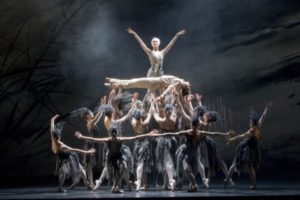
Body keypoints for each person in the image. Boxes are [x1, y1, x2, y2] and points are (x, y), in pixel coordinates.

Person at [155, 117, 231, 192]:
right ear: (193, 125)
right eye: (193, 126)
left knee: (192, 171)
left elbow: (214, 134)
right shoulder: (188, 132)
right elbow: (174, 133)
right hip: (185, 153)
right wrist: (159, 135)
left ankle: (193, 185)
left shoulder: (200, 133)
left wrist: (225, 134)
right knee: (187, 169)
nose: (194, 128)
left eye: (195, 126)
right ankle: (194, 184)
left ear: (197, 126)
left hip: (194, 155)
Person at [74, 127, 159, 193]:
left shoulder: (119, 139)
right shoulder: (108, 140)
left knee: (124, 167)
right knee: (109, 170)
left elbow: (135, 137)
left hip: (119, 157)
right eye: (113, 136)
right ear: (111, 135)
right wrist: (81, 136)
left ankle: (117, 186)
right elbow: (94, 139)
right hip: (111, 159)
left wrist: (148, 134)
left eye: (115, 136)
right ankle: (110, 185)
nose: (114, 138)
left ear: (116, 135)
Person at [224, 102, 273, 189]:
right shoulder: (258, 126)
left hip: (250, 149)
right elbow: (263, 116)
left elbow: (240, 136)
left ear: (252, 122)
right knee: (241, 165)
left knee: (240, 165)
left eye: (250, 121)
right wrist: (267, 108)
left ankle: (228, 180)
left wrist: (231, 139)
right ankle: (228, 180)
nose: (249, 123)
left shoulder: (252, 130)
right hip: (247, 148)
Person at [50, 114, 95, 192]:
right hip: (64, 159)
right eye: (55, 138)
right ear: (54, 137)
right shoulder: (54, 140)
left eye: (58, 138)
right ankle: (60, 188)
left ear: (59, 137)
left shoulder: (61, 145)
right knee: (64, 172)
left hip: (71, 157)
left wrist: (87, 152)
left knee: (82, 171)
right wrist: (52, 120)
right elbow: (52, 129)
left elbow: (75, 150)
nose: (56, 140)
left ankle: (87, 185)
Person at [104, 75, 191, 100]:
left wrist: (161, 96)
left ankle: (112, 84)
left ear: (185, 86)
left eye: (188, 85)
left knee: (132, 83)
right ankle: (112, 81)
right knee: (132, 81)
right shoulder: (179, 84)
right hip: (155, 82)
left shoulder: (178, 82)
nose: (189, 83)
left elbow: (168, 89)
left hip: (154, 82)